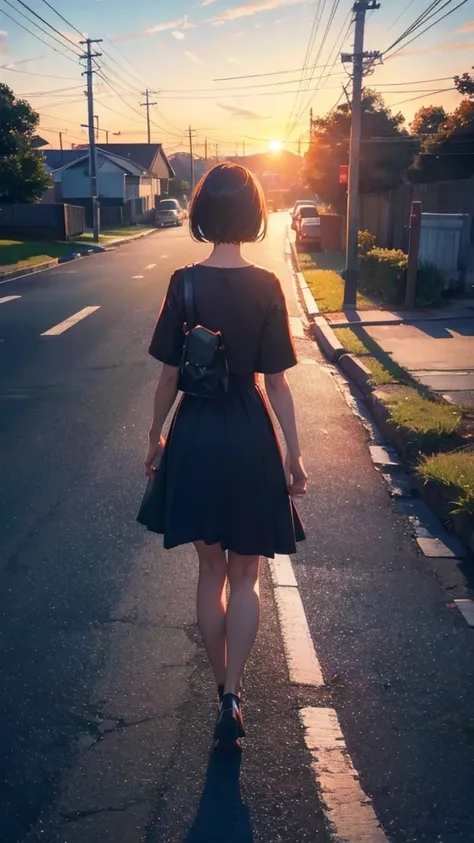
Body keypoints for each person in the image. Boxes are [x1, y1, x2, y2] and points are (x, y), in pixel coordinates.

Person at [137, 163, 307, 753]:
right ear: (255, 215)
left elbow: (167, 380)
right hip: (251, 438)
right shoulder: (266, 285)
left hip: (197, 437)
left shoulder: (183, 283)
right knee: (246, 577)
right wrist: (294, 455)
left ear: (202, 213)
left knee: (210, 574)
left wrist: (156, 438)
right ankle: (237, 691)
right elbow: (278, 384)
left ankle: (220, 692)